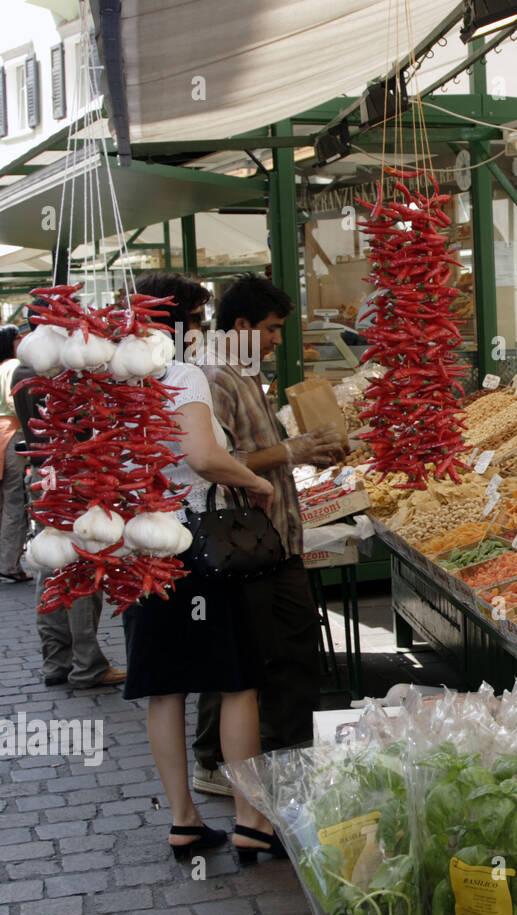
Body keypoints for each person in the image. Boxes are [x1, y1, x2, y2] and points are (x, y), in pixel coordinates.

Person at [120, 338, 287, 863]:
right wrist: (256, 481)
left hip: (138, 548)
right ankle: (250, 819)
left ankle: (184, 821)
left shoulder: (103, 379)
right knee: (235, 681)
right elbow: (202, 456)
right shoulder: (180, 373)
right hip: (196, 545)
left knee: (163, 687)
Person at [190, 274, 344, 798]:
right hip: (247, 542)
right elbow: (217, 462)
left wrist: (302, 450)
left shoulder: (243, 372)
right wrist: (292, 452)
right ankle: (225, 761)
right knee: (253, 653)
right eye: (273, 329)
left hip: (274, 539)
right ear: (241, 326)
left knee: (282, 648)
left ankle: (277, 754)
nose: (279, 339)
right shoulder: (216, 378)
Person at [12, 316, 125, 689]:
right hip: (75, 474)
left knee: (53, 566)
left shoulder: (25, 368)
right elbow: (88, 427)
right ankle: (87, 665)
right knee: (80, 567)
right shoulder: (67, 370)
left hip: (45, 474)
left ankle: (56, 661)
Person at [0, 325, 31, 583]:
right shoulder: (13, 367)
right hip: (12, 437)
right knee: (14, 502)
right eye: (17, 338)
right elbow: (14, 402)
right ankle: (9, 562)